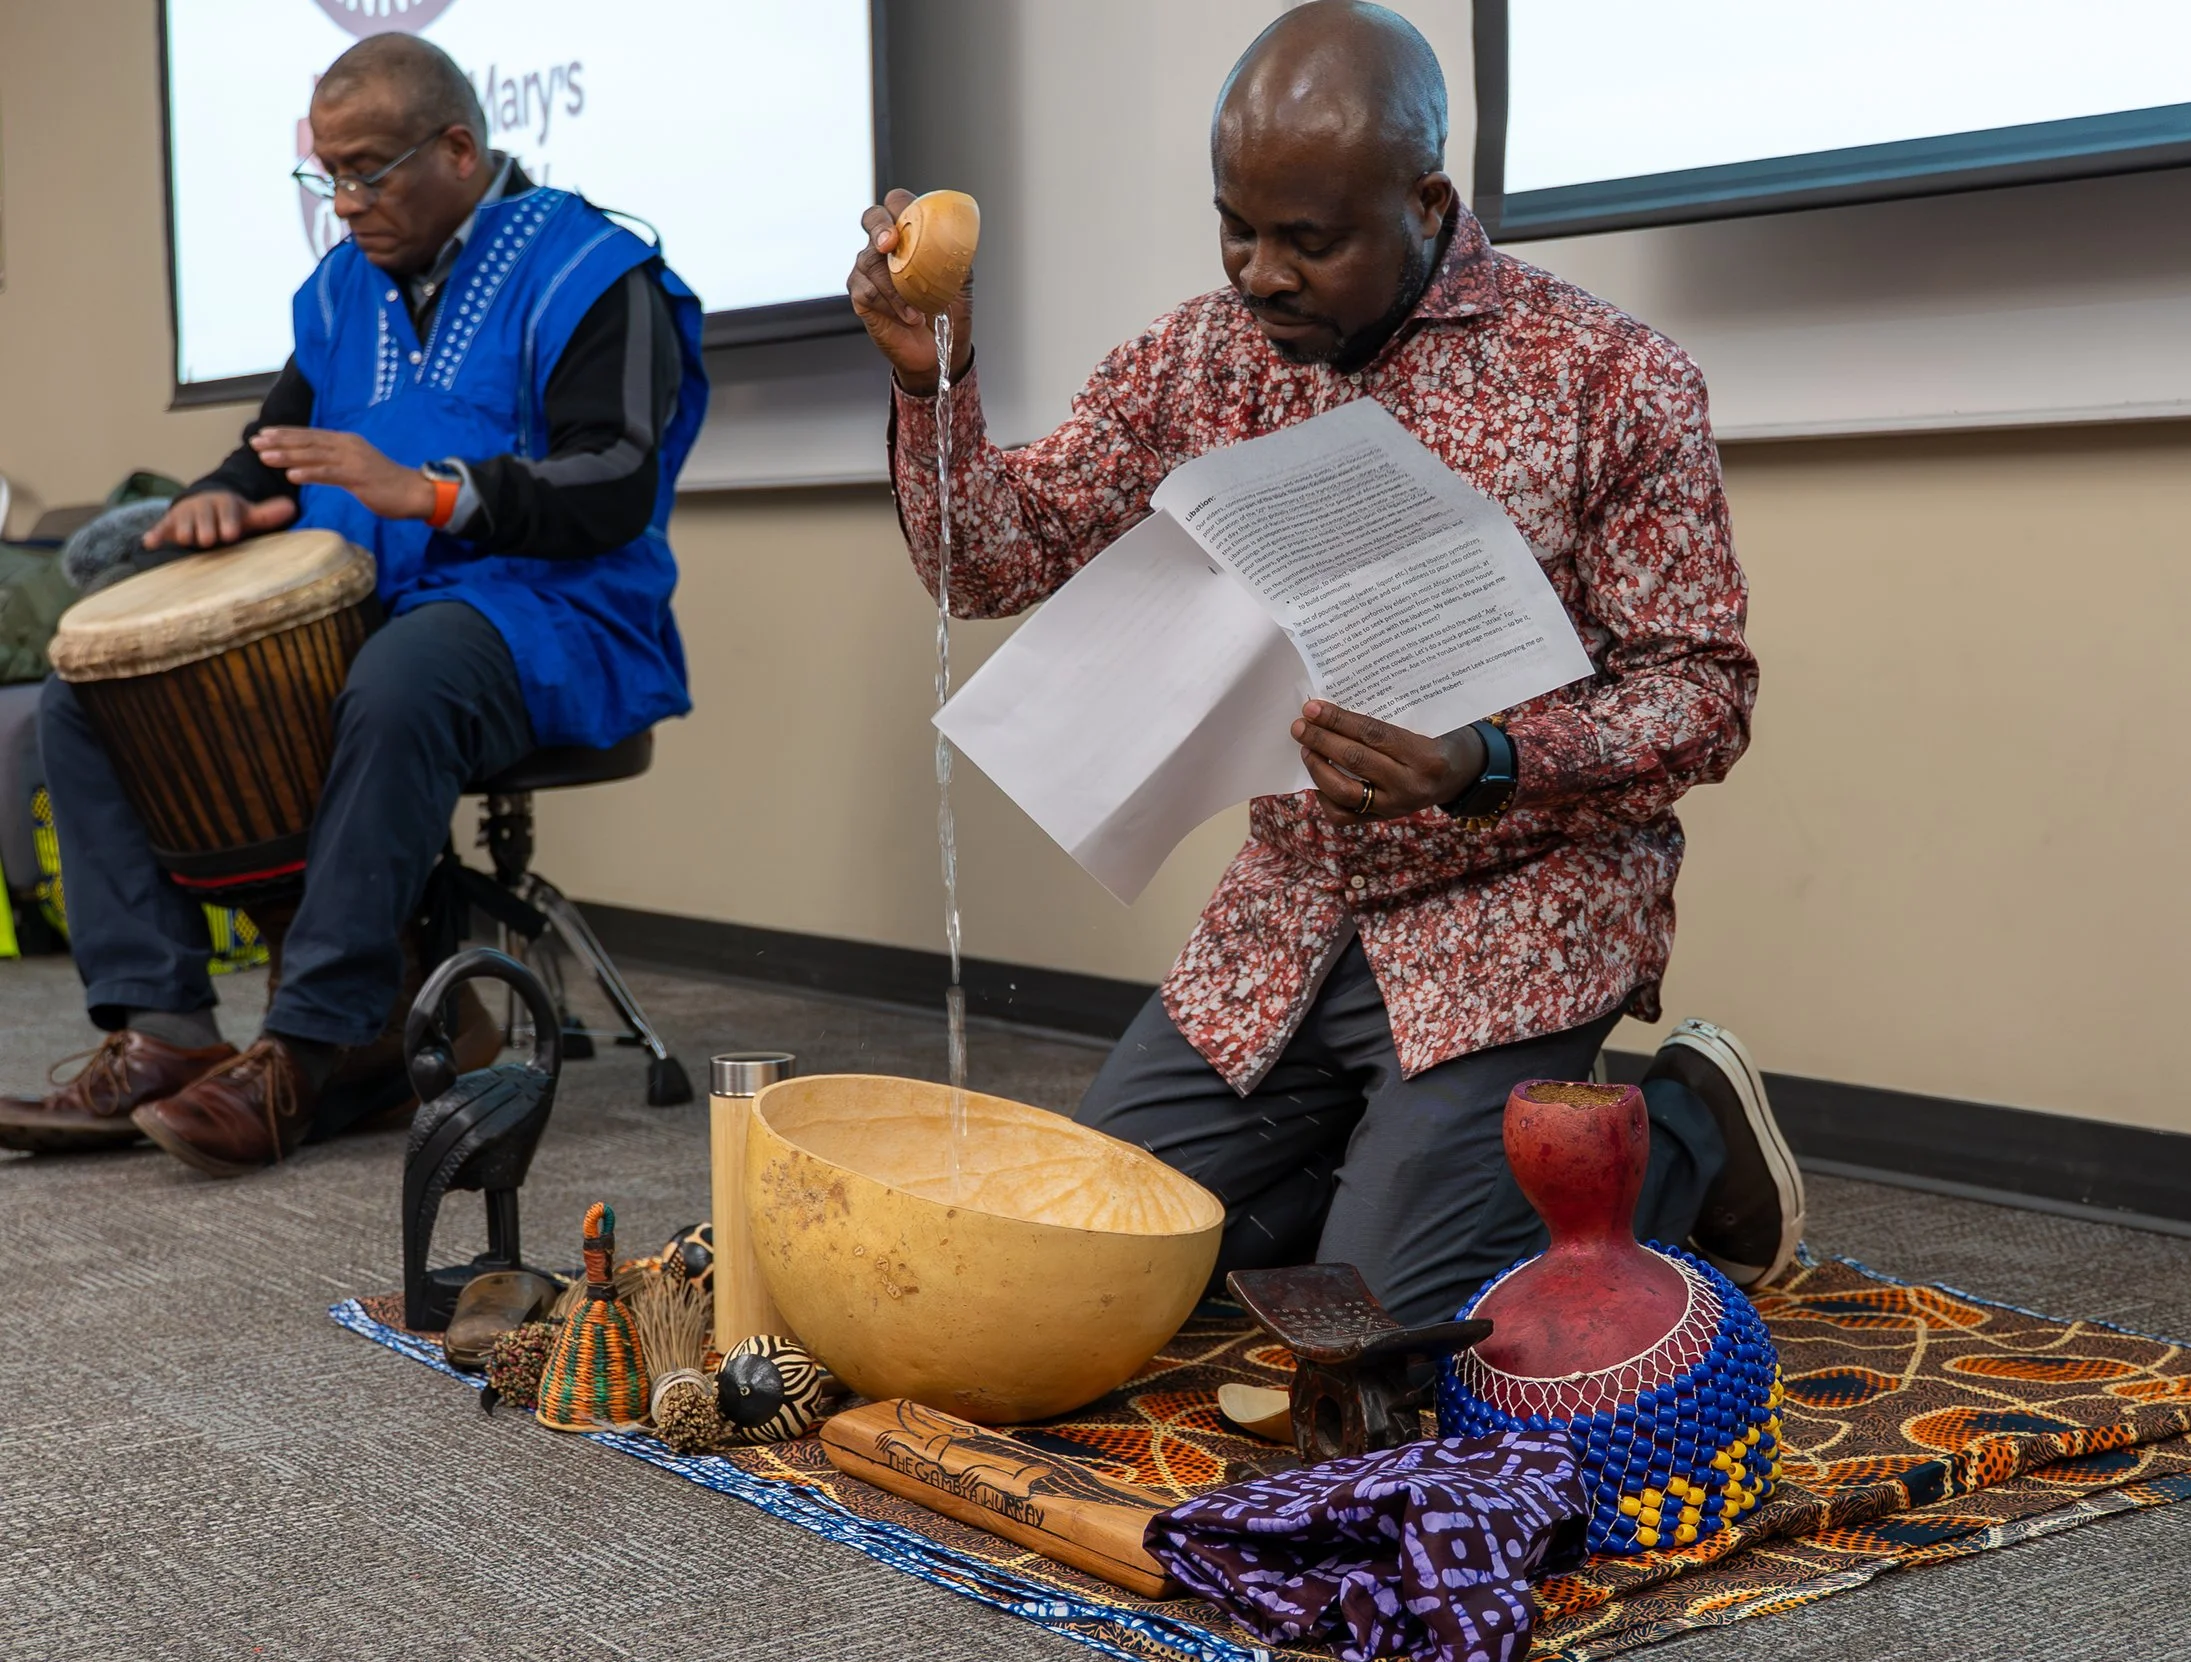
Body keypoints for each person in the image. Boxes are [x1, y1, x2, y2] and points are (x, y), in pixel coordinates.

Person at [853, 2, 1801, 1324]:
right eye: (1236, 226)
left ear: (1427, 203)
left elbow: (1704, 695)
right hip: (1292, 912)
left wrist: (1488, 761)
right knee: (1084, 1262)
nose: (1261, 275)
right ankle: (1378, 1169)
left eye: (1311, 240)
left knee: (1379, 1329)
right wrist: (931, 386)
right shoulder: (1200, 360)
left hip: (1509, 909)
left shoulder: (1609, 379)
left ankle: (1678, 1126)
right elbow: (992, 566)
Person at [0, 33, 706, 1173]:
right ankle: (165, 1028)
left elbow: (616, 479)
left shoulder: (590, 268)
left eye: (368, 171)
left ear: (460, 149)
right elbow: (274, 452)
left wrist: (434, 493)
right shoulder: (345, 289)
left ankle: (316, 1044)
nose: (343, 202)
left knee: (401, 675)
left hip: (554, 615)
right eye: (324, 174)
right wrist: (221, 502)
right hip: (387, 606)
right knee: (94, 688)